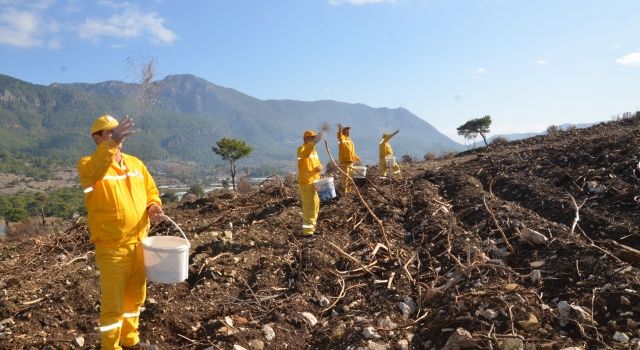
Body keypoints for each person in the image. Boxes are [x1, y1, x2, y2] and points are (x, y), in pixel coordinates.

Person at [77, 115, 164, 350]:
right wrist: (111, 145)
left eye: (117, 131)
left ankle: (130, 340)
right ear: (97, 138)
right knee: (113, 303)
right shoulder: (89, 165)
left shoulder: (136, 164)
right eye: (109, 132)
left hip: (139, 242)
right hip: (112, 246)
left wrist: (153, 205)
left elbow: (150, 190)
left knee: (135, 298)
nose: (117, 135)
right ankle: (111, 347)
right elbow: (95, 170)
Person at [297, 128, 326, 236]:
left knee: (315, 206)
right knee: (309, 208)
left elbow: (317, 164)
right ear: (306, 139)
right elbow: (306, 153)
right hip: (306, 183)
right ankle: (308, 232)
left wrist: (320, 167)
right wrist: (315, 141)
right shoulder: (302, 149)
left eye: (314, 138)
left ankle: (311, 229)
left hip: (314, 183)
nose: (313, 140)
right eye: (312, 138)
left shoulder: (314, 151)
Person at [336, 124, 361, 193]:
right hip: (344, 161)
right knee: (345, 177)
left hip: (350, 161)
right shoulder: (342, 138)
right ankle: (345, 193)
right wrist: (340, 130)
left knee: (350, 177)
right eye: (347, 131)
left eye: (349, 131)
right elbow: (339, 136)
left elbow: (351, 151)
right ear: (344, 132)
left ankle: (350, 192)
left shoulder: (349, 140)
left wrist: (356, 158)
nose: (349, 133)